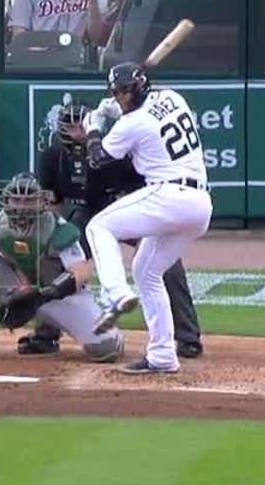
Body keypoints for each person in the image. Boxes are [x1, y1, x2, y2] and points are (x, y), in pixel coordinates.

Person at [26, 103, 204, 359]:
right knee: (54, 260)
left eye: (81, 125)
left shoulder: (112, 148)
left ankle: (187, 337)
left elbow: (146, 183)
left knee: (167, 263)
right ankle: (46, 335)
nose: (77, 132)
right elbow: (54, 204)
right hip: (86, 212)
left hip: (125, 206)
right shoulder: (53, 156)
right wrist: (59, 240)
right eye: (71, 127)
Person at [81, 63, 214, 375]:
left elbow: (97, 159)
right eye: (117, 93)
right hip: (200, 205)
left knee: (98, 226)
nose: (122, 98)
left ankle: (116, 294)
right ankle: (162, 354)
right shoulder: (173, 97)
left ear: (138, 88)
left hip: (169, 195)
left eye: (125, 92)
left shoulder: (131, 124)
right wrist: (117, 110)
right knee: (146, 271)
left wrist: (93, 128)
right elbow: (148, 116)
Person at [0, 172, 125, 364]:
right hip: (24, 293)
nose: (21, 207)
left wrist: (47, 293)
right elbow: (1, 263)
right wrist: (15, 294)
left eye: (28, 201)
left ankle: (51, 333)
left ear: (41, 202)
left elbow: (82, 272)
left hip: (62, 297)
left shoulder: (58, 229)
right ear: (6, 201)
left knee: (105, 350)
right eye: (16, 200)